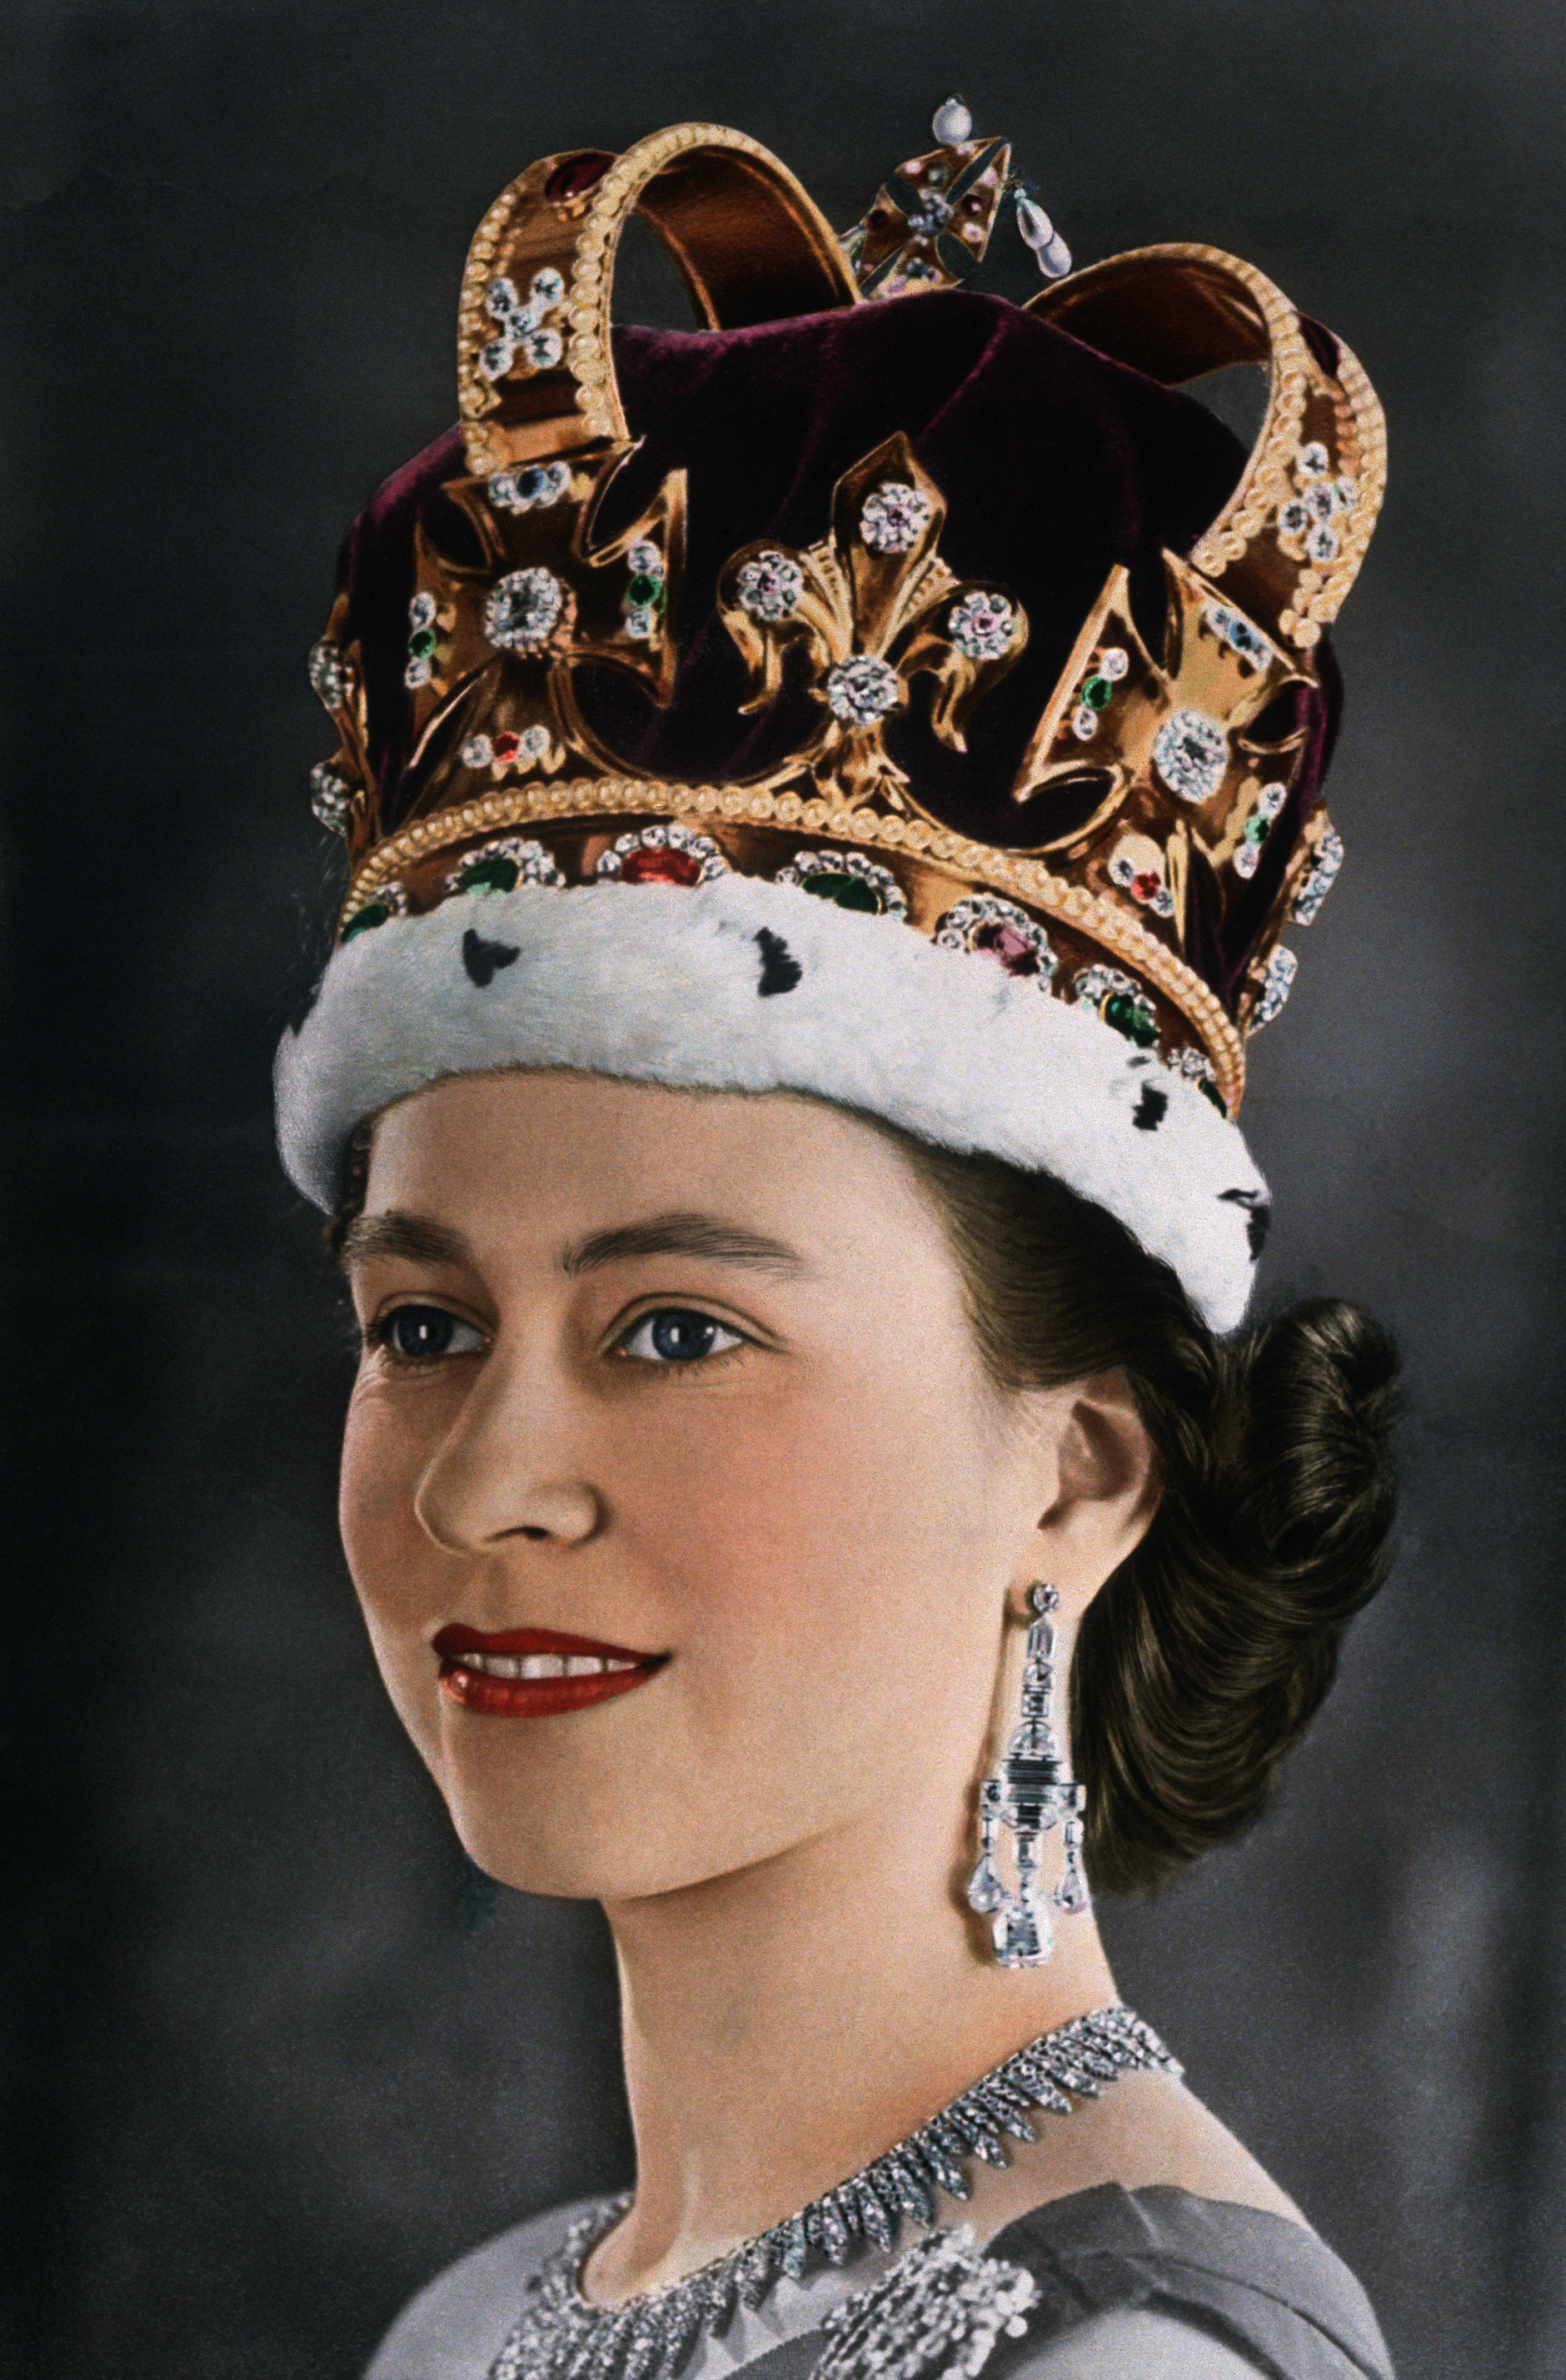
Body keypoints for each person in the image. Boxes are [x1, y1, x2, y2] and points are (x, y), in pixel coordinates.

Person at [277, 107, 1399, 2380]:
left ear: (1081, 1468)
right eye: (422, 1319)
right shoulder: (473, 2324)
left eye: (675, 1323)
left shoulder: (1124, 2363)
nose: (484, 1482)